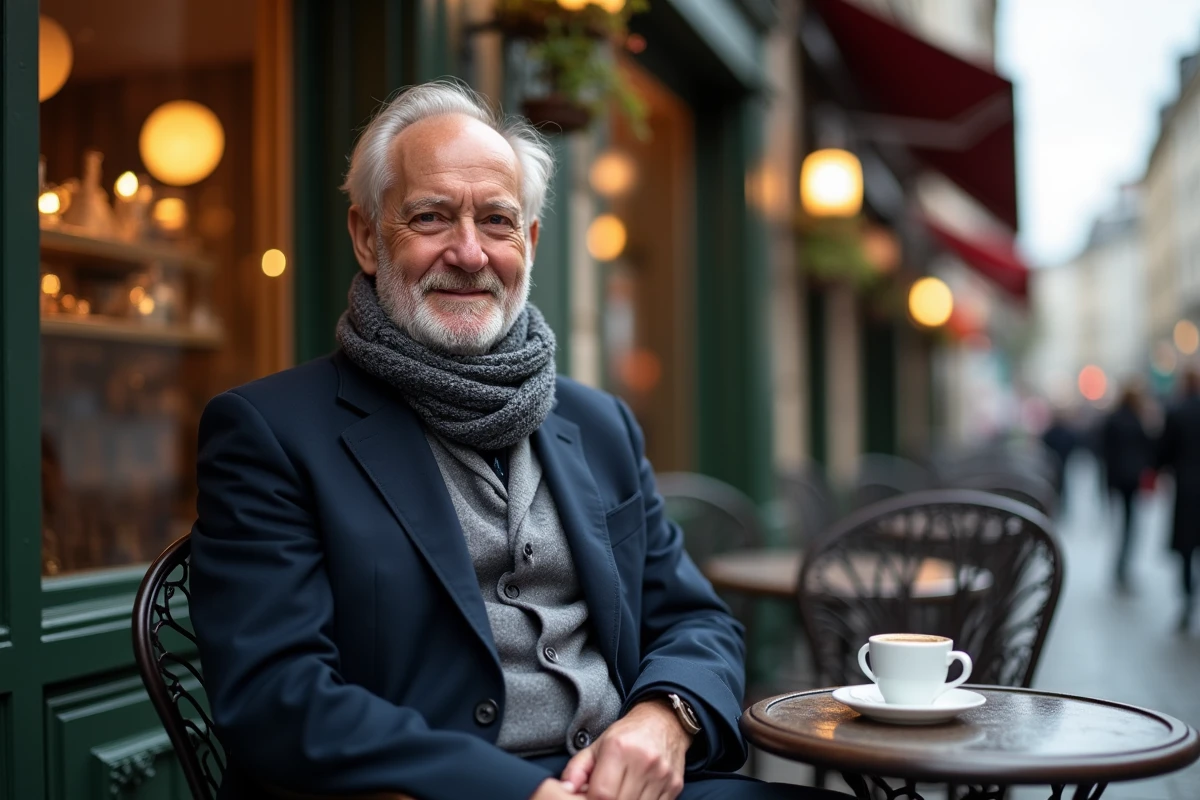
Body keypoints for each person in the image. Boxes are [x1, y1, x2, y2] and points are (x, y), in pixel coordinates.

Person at [188, 81, 846, 800]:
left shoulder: (600, 425)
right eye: (431, 217)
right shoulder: (270, 430)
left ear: (528, 244)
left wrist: (668, 714)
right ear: (368, 238)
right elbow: (277, 695)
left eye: (496, 221)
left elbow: (695, 620)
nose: (469, 253)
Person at [1100, 381, 1154, 590]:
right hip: (1132, 479)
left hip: (1117, 478)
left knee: (1123, 524)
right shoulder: (1138, 421)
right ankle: (1124, 567)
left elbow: (1104, 450)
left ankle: (1120, 567)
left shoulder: (1113, 419)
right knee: (1130, 525)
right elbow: (1149, 450)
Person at [1158, 368, 1200, 632]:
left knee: (1187, 549)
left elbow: (1164, 451)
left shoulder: (1178, 412)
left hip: (1186, 488)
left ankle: (1187, 599)